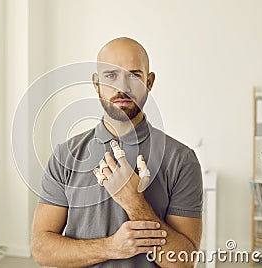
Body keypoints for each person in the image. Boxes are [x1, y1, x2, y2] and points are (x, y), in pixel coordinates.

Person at [31, 37, 203, 267]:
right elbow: (42, 249)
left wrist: (134, 202)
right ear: (96, 83)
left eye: (134, 75)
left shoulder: (181, 160)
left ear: (149, 82)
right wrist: (111, 247)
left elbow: (184, 261)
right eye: (111, 76)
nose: (122, 88)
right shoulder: (65, 156)